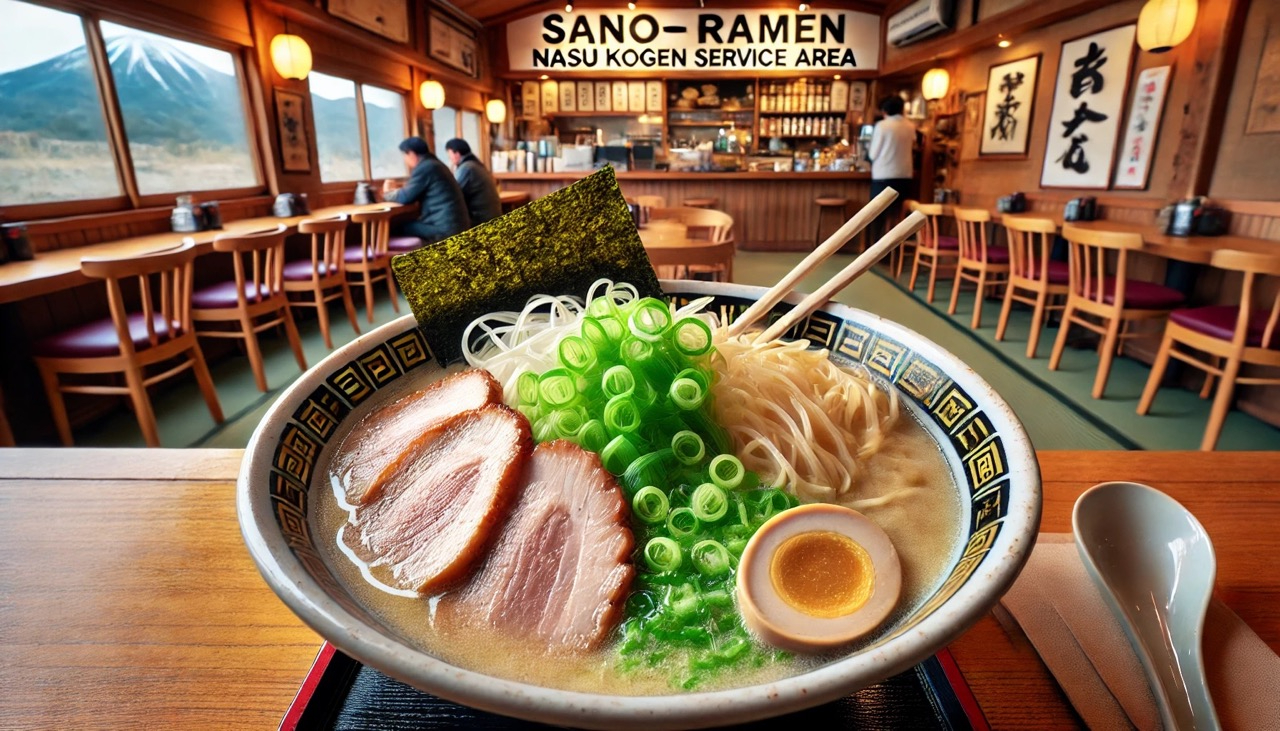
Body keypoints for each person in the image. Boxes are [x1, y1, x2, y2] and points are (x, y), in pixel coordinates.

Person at [381, 137, 470, 243]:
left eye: (405, 155)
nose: (405, 160)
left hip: (445, 230)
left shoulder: (425, 167)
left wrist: (386, 193)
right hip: (458, 226)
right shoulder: (436, 165)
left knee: (396, 228)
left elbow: (404, 197)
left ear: (412, 154)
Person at [867, 95, 917, 242]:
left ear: (884, 110)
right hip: (905, 176)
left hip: (883, 176)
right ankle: (897, 249)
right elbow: (914, 146)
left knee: (876, 215)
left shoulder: (882, 126)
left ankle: (875, 251)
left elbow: (873, 153)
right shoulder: (910, 126)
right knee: (899, 215)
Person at [444, 138, 503, 226]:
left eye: (449, 154)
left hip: (481, 221)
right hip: (492, 217)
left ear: (457, 153)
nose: (449, 158)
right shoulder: (476, 165)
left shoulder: (467, 168)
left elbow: (454, 194)